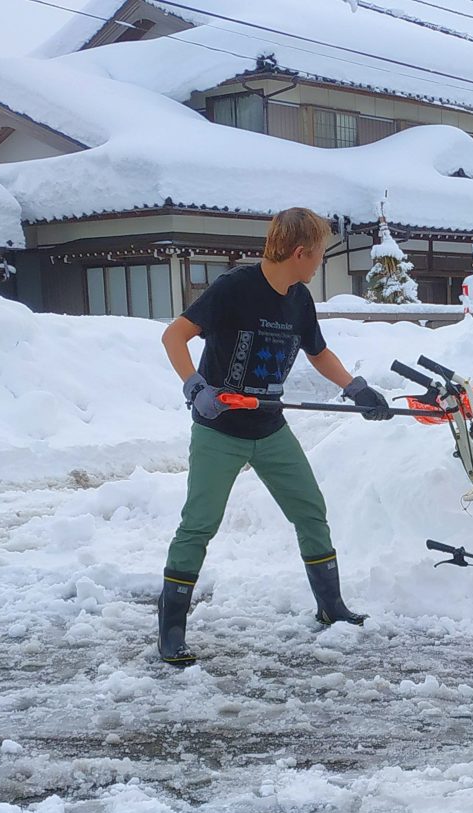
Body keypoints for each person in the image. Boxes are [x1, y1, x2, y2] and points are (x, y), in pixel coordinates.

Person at [156, 207, 392, 666]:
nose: (319, 263)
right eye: (319, 254)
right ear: (300, 252)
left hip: (269, 426)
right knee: (199, 524)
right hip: (219, 428)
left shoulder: (298, 299)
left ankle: (331, 607)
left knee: (310, 509)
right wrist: (195, 387)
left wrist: (355, 388)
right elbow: (174, 337)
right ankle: (171, 627)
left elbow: (318, 352)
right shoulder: (234, 288)